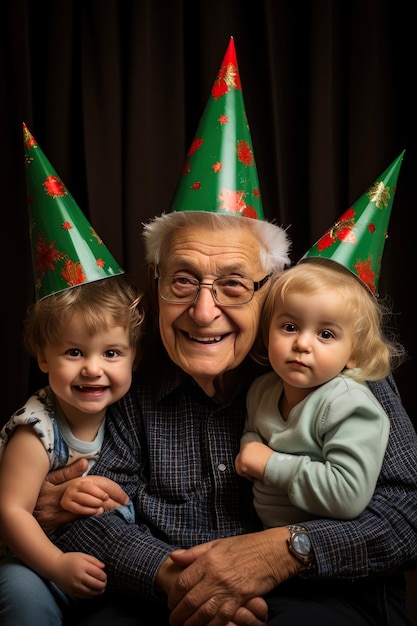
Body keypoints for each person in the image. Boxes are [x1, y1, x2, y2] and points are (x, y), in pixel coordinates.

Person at [1, 40, 416, 626]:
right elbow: (83, 510)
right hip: (159, 596)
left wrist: (288, 549)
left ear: (269, 291)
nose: (203, 312)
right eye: (183, 281)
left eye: (232, 285)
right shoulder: (116, 376)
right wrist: (174, 578)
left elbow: (408, 514)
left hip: (315, 591)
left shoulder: (340, 365)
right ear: (155, 282)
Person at [0, 274, 144, 602]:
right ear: (44, 358)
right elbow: (11, 512)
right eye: (75, 352)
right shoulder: (35, 432)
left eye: (111, 353)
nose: (93, 368)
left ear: (133, 357)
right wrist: (56, 564)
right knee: (21, 594)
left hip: (98, 559)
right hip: (34, 561)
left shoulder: (129, 415)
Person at [235, 259, 406, 529]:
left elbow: (348, 494)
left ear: (354, 353)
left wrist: (268, 464)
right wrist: (249, 448)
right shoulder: (262, 390)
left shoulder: (349, 404)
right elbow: (254, 433)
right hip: (261, 530)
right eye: (289, 327)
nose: (302, 343)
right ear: (268, 334)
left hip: (327, 552)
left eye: (325, 334)